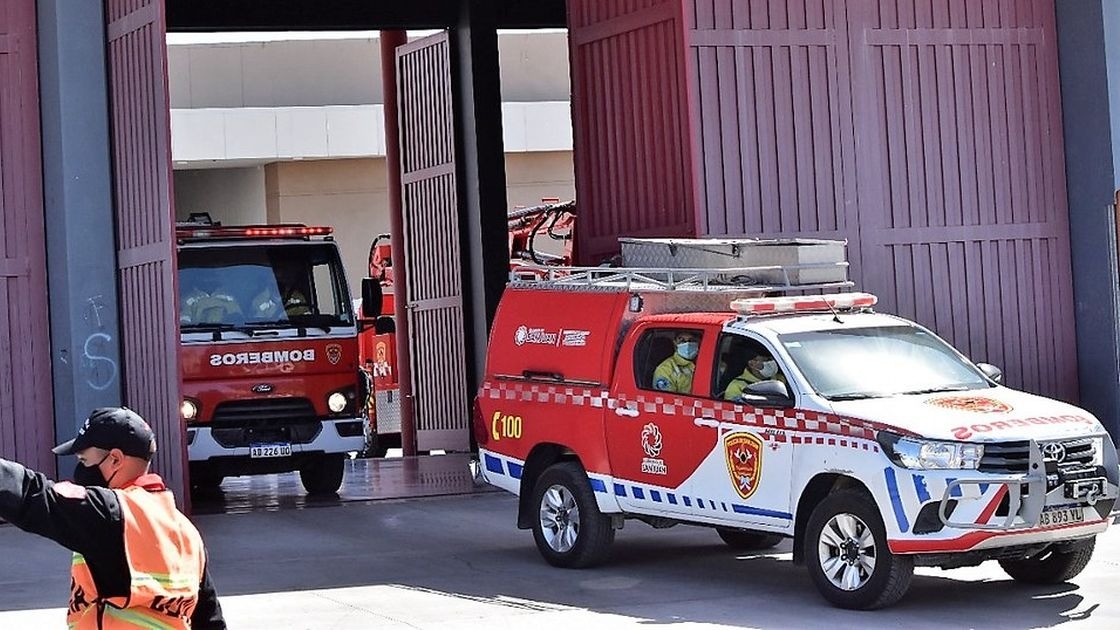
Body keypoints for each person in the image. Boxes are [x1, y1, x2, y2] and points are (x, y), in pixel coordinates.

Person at [0, 407, 226, 629]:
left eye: (84, 461)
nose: (80, 471)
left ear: (115, 460)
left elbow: (32, 494)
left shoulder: (112, 513)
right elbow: (209, 620)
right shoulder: (187, 532)